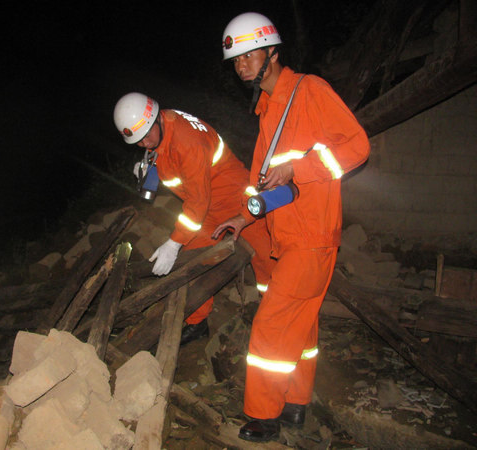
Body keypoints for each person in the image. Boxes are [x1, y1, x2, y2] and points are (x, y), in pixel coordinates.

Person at [211, 12, 371, 442]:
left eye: (250, 54)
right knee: (302, 327)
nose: (242, 65)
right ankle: (296, 405)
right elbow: (262, 179)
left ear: (272, 51)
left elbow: (357, 146)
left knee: (271, 326)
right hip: (290, 236)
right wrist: (243, 217)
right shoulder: (268, 108)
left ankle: (264, 416)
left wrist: (300, 168)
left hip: (313, 237)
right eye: (236, 59)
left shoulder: (310, 90)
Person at [113, 92, 276, 345]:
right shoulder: (163, 130)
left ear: (156, 120)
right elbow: (178, 171)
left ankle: (276, 313)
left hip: (237, 200)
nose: (144, 143)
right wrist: (149, 168)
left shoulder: (187, 141)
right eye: (137, 141)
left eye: (146, 136)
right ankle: (197, 322)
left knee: (267, 260)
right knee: (193, 264)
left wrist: (174, 242)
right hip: (208, 208)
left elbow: (197, 201)